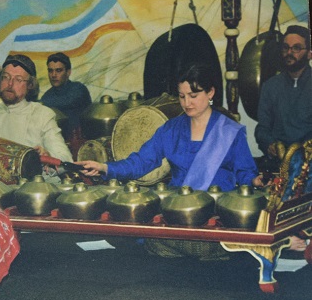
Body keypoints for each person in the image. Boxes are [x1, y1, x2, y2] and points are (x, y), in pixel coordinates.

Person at [77, 63, 263, 259]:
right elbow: (141, 162)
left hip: (215, 216)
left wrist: (254, 180)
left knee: (204, 245)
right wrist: (104, 167)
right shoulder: (170, 129)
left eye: (193, 95)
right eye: (182, 96)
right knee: (156, 238)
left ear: (210, 92)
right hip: (176, 213)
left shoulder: (229, 131)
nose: (187, 103)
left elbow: (245, 172)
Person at [254, 24, 312, 252]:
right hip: (279, 157)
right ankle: (286, 237)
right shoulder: (271, 86)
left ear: (309, 53)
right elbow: (261, 129)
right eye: (286, 48)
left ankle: (292, 234)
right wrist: (269, 145)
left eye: (296, 48)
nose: (290, 52)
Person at [0, 54, 74, 163]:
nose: (10, 84)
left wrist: (48, 156)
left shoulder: (42, 115)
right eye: (6, 77)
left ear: (30, 85)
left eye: (18, 79)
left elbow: (65, 158)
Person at [40, 52, 92, 134]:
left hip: (82, 137)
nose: (53, 75)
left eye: (58, 70)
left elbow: (68, 101)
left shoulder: (78, 88)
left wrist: (42, 105)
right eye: (50, 71)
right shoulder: (47, 95)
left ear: (68, 72)